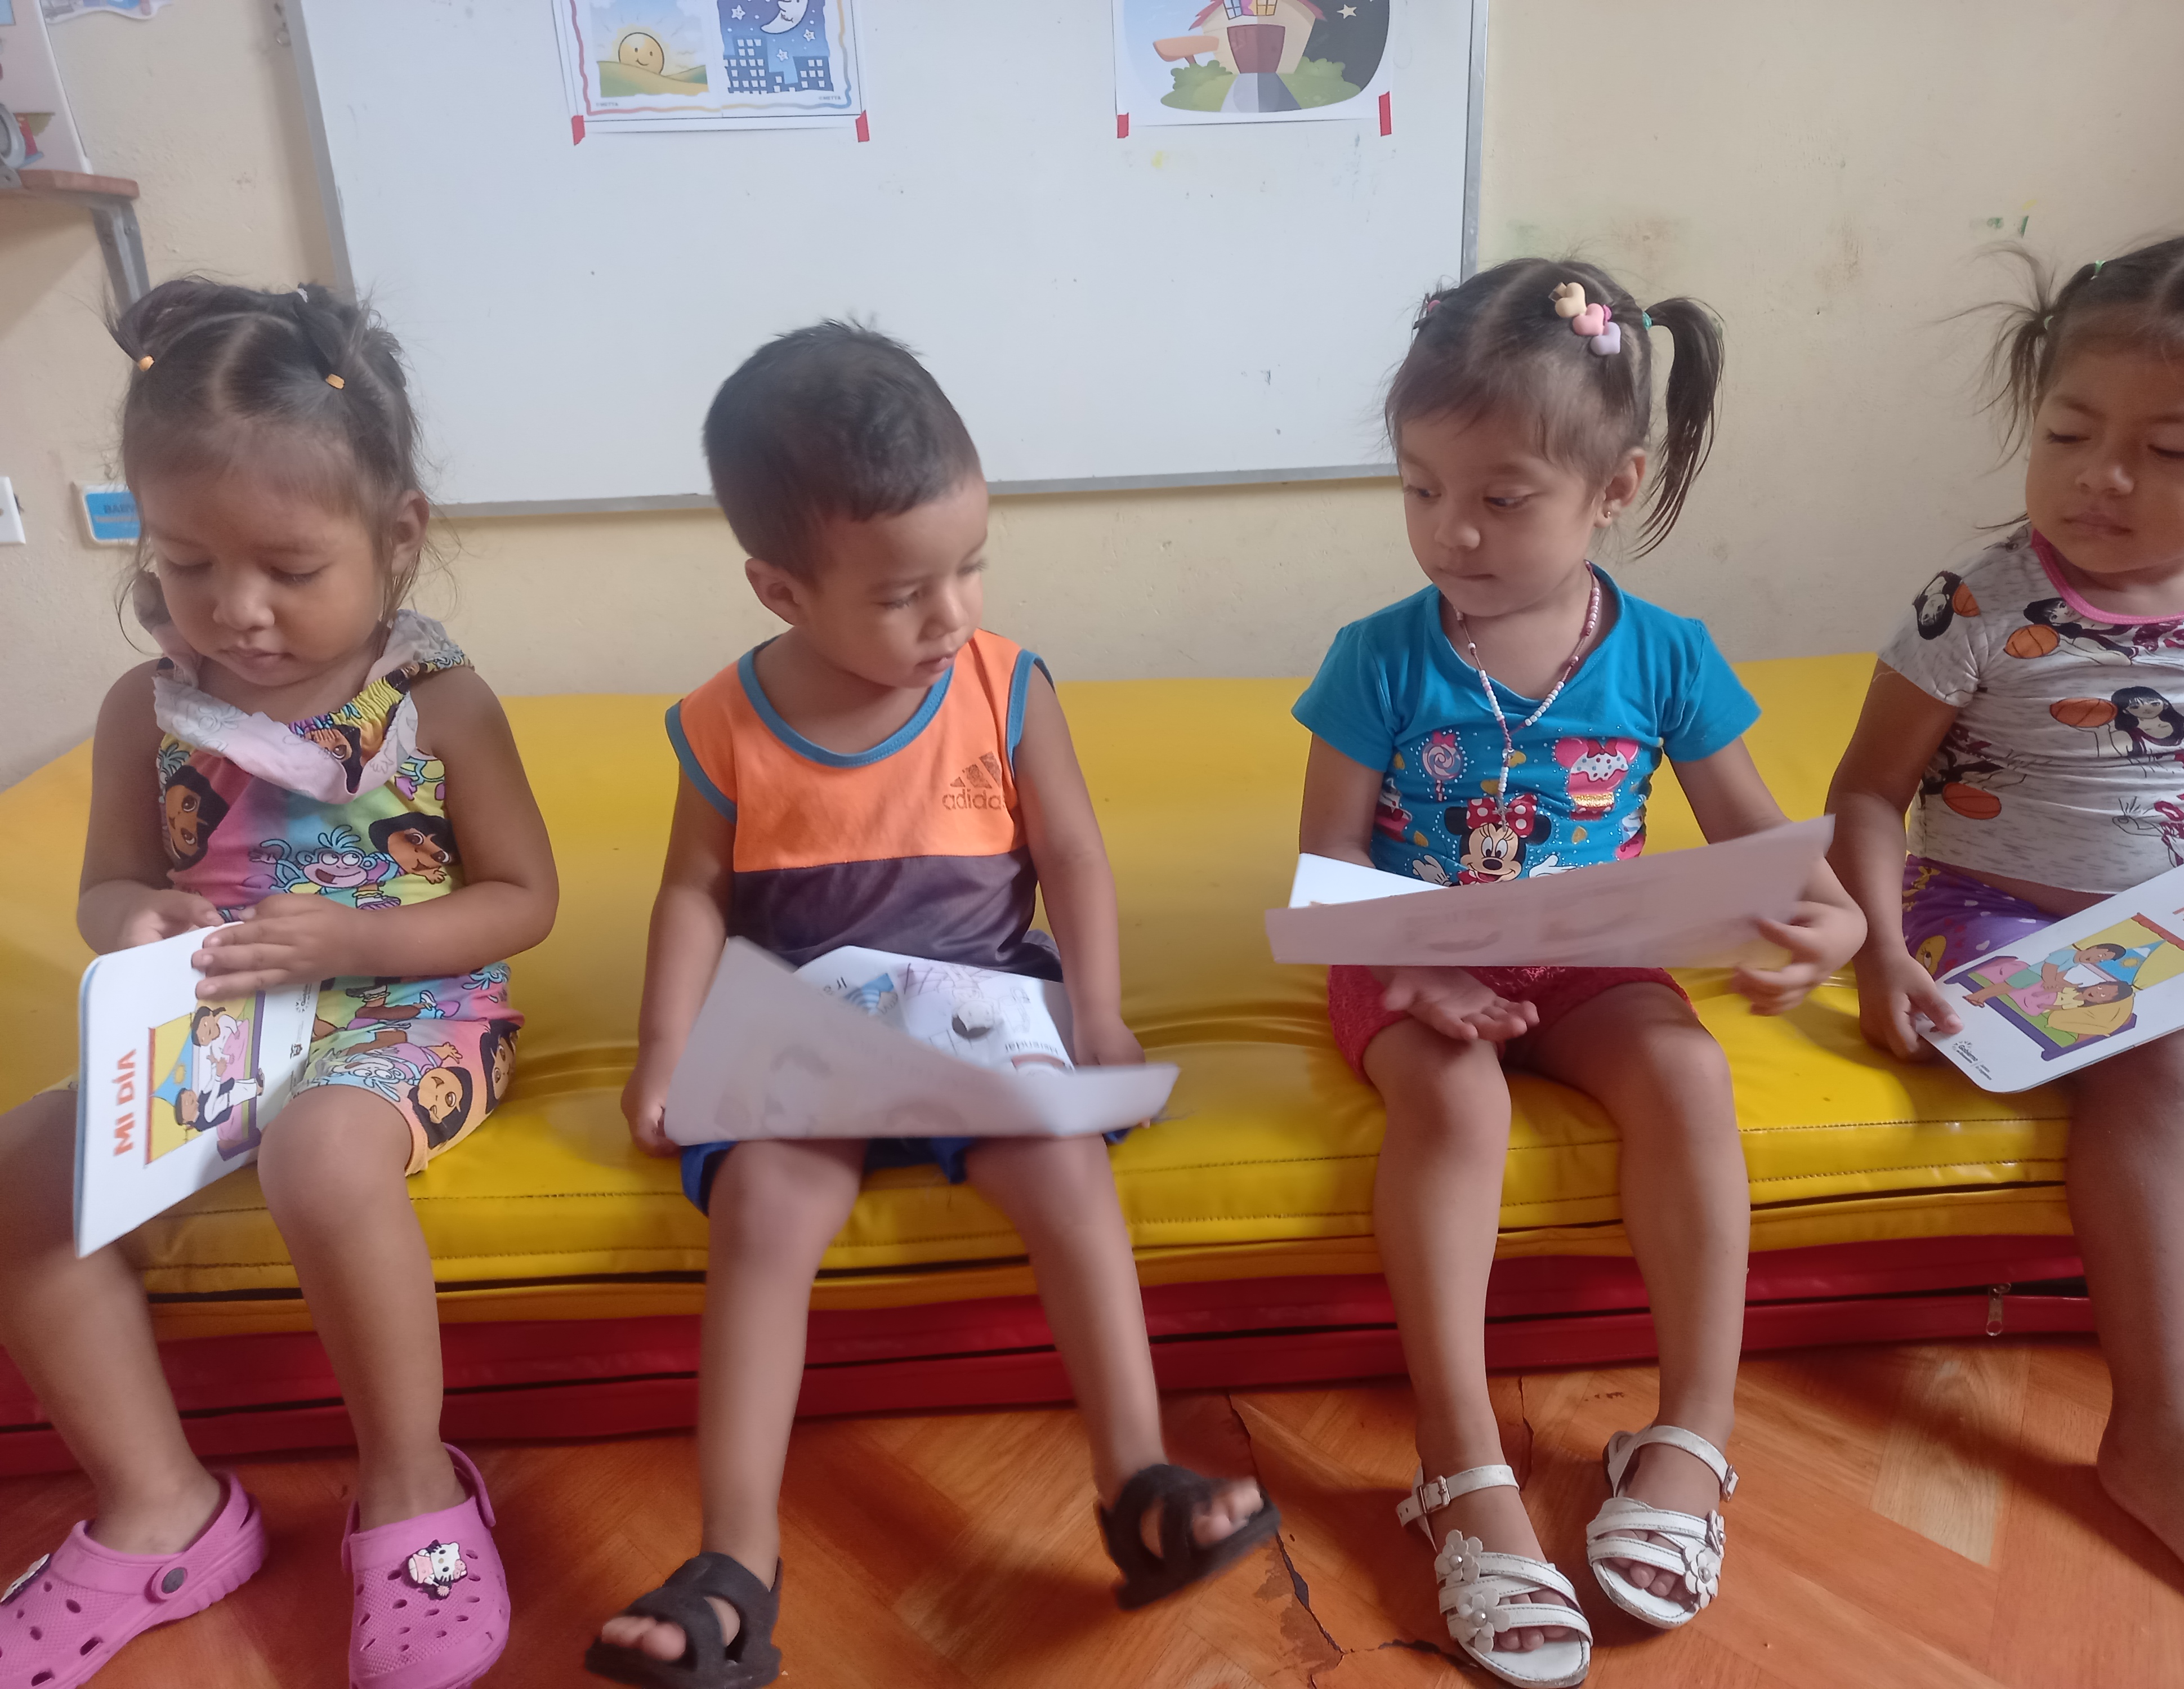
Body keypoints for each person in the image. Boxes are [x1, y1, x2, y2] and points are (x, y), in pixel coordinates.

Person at [585, 324, 1277, 1688]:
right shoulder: (724, 723)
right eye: (903, 593)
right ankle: (735, 1566)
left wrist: (1100, 1013)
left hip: (984, 1009)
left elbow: (1072, 855)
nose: (950, 614)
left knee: (1066, 1168)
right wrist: (664, 1049)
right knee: (762, 1211)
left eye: (970, 566)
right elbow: (692, 894)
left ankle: (1136, 1480)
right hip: (804, 1026)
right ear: (779, 589)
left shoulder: (1004, 685)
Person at [1293, 261, 1863, 1686]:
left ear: (1614, 488)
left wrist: (1835, 926)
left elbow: (1768, 851)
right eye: (1420, 488)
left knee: (1686, 1074)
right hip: (1411, 958)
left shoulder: (1664, 657)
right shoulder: (1375, 658)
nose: (1450, 530)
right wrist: (1416, 977)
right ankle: (1458, 1463)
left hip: (1592, 960)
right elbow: (1327, 873)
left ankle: (1691, 1436)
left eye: (1501, 497)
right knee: (1459, 1103)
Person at [0, 279, 557, 1689]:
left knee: (322, 1154)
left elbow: (521, 902)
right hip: (217, 1023)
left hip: (414, 1009)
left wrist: (353, 944)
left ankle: (412, 1488)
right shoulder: (146, 709)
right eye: (189, 564)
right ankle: (161, 1509)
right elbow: (107, 886)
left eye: (290, 569)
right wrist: (136, 919)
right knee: (17, 1171)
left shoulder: (437, 704)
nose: (236, 612)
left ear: (397, 535)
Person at [1828, 232, 2184, 1620]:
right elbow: (1866, 795)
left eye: (2168, 450)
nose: (2100, 476)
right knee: (2169, 1069)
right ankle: (2160, 1431)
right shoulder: (1975, 604)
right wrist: (1879, 946)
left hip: (2176, 925)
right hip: (1984, 920)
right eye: (2068, 432)